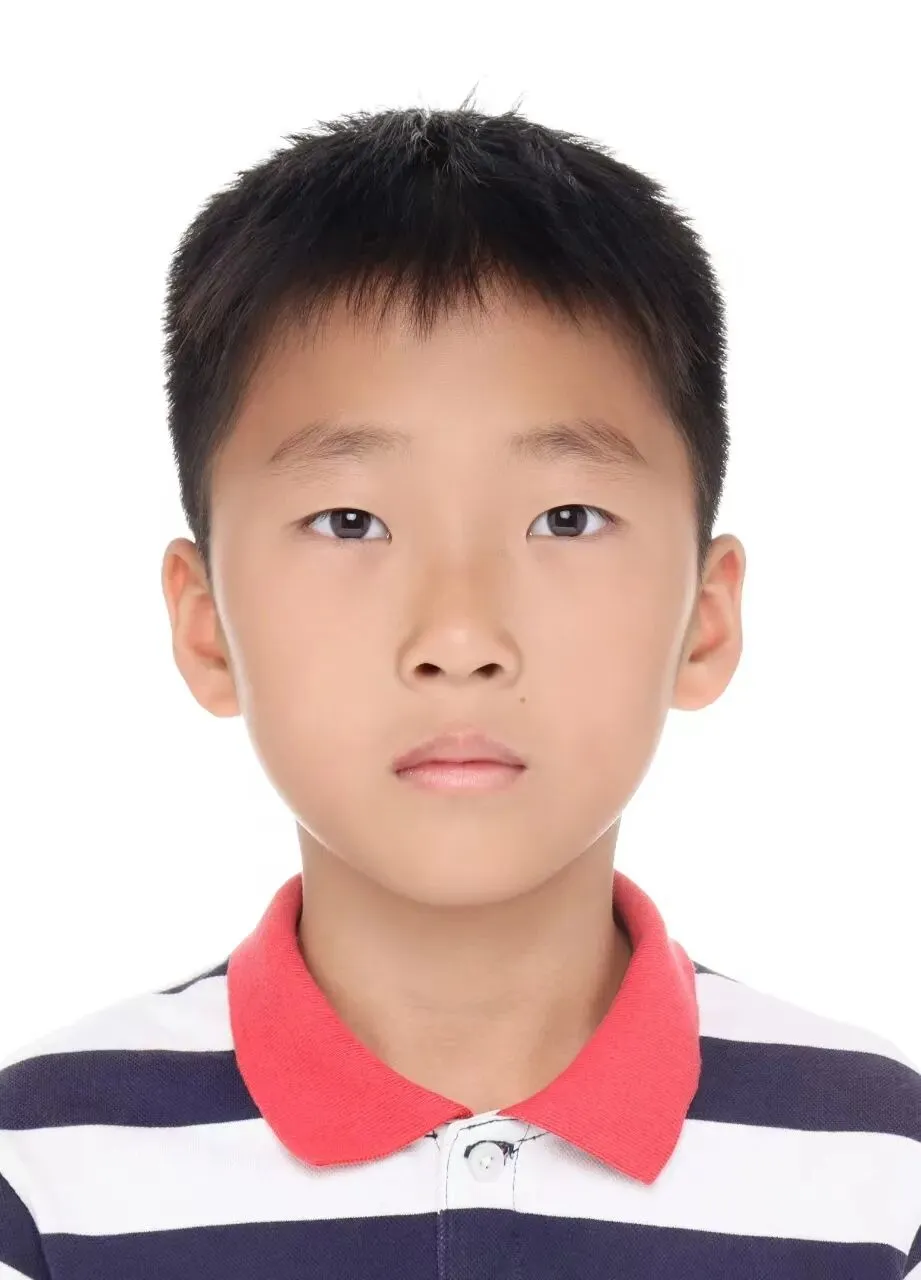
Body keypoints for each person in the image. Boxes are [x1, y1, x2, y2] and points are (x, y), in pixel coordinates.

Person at [2, 99, 918, 1279]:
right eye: (349, 520)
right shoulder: (46, 1181)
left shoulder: (879, 1182)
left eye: (566, 517)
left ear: (706, 614)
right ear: (206, 623)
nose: (459, 635)